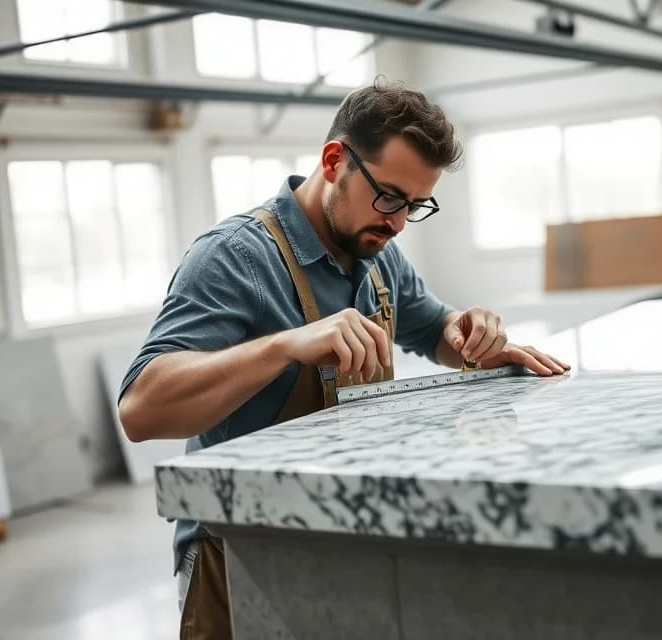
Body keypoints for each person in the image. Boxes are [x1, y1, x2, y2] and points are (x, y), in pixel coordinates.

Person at [117, 79, 570, 639]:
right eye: (388, 197)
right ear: (335, 161)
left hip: (347, 539)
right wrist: (285, 344)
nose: (399, 221)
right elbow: (141, 409)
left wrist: (470, 333)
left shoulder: (378, 254)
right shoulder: (236, 258)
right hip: (242, 558)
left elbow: (433, 329)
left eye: (415, 205)